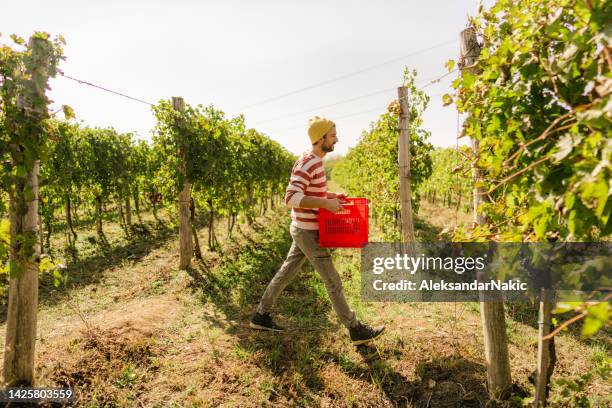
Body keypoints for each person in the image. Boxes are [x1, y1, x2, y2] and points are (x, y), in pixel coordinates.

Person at [250, 116, 385, 345]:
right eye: (332, 136)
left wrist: (332, 197)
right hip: (308, 233)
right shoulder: (309, 162)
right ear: (320, 138)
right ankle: (355, 329)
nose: (336, 139)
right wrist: (325, 204)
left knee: (286, 272)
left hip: (302, 229)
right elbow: (290, 197)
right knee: (332, 281)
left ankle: (260, 315)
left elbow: (311, 192)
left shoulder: (312, 161)